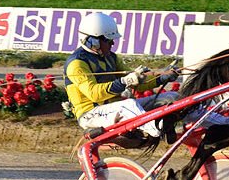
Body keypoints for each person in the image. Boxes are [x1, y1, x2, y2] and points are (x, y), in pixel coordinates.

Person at [65, 12, 178, 140]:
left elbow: (138, 83)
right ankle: (158, 130)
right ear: (93, 41)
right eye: (108, 40)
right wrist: (125, 81)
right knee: (129, 105)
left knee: (172, 97)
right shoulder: (77, 63)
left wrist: (162, 77)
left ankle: (196, 126)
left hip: (115, 110)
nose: (112, 43)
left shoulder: (111, 58)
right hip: (91, 116)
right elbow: (94, 93)